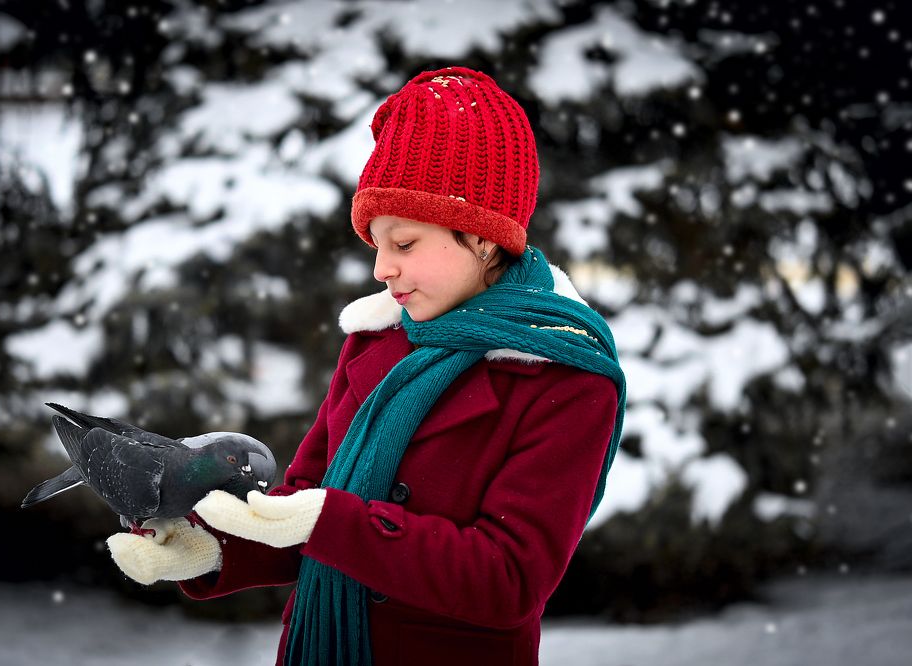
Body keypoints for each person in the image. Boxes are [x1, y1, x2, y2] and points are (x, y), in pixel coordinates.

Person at [107, 65, 626, 666]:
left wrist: (338, 523)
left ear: (483, 238)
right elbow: (302, 504)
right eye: (376, 245)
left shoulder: (562, 375)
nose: (383, 269)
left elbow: (507, 579)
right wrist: (216, 550)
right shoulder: (376, 342)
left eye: (404, 244)